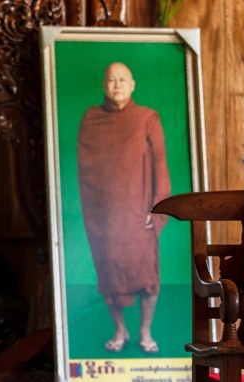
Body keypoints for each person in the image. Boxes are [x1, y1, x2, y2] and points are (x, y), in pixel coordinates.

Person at [77, 62, 171, 355]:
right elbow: (86, 169)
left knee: (148, 277)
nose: (116, 84)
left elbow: (160, 165)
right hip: (105, 214)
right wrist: (98, 213)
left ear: (133, 85)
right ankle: (120, 330)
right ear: (103, 85)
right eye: (110, 80)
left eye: (122, 79)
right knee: (110, 274)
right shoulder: (91, 119)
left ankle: (145, 331)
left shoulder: (147, 118)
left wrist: (156, 210)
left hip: (139, 210)